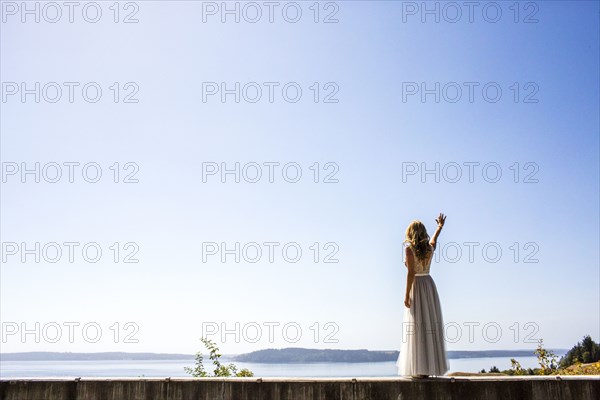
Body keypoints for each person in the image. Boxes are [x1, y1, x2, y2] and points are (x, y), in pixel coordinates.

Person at [397, 213, 449, 378]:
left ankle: (419, 369)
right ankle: (428, 366)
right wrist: (439, 227)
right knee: (429, 324)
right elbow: (433, 240)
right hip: (429, 285)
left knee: (416, 325)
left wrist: (406, 296)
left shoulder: (409, 249)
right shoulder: (429, 248)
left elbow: (411, 273)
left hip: (417, 286)